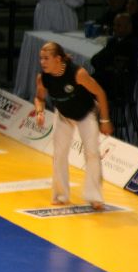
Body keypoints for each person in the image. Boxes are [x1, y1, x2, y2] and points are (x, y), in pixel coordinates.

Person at [34, 41, 112, 210]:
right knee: (59, 154)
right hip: (63, 115)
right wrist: (40, 111)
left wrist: (105, 120)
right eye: (41, 58)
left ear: (58, 59)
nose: (42, 62)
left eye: (46, 58)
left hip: (86, 114)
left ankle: (95, 196)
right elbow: (39, 98)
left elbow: (100, 93)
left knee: (92, 153)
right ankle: (60, 195)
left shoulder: (77, 73)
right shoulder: (43, 78)